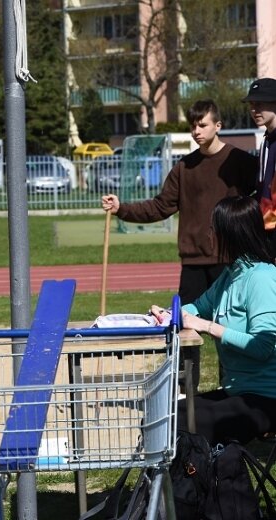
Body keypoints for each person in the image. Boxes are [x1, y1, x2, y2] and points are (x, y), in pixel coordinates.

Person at [101, 99, 258, 391]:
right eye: (193, 126)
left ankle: (236, 392)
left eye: (203, 125)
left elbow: (261, 202)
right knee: (185, 332)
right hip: (194, 265)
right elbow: (160, 207)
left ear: (218, 126)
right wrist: (122, 208)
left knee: (231, 332)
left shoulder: (243, 163)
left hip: (231, 263)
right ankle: (187, 399)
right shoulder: (184, 168)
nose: (197, 131)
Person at [150, 196, 276, 445]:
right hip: (237, 392)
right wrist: (167, 315)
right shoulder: (230, 276)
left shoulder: (261, 279)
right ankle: (172, 485)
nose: (208, 235)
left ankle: (199, 483)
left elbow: (263, 346)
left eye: (213, 230)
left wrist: (208, 327)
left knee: (183, 423)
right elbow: (196, 307)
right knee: (168, 413)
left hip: (265, 399)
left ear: (230, 235)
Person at [243, 77, 276, 252]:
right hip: (267, 231)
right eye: (251, 104)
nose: (254, 110)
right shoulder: (266, 142)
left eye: (260, 103)